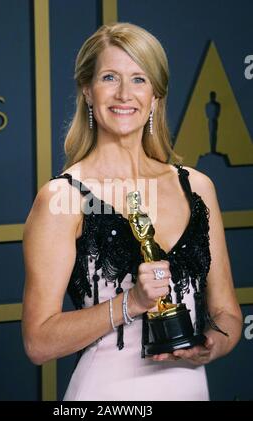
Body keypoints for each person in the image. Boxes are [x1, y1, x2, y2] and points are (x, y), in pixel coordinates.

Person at [21, 22, 242, 401]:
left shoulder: (198, 187)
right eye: (110, 77)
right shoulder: (63, 197)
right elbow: (38, 342)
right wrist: (131, 303)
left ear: (155, 95)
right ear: (88, 91)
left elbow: (228, 316)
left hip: (191, 389)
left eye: (139, 79)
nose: (125, 94)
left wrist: (208, 345)